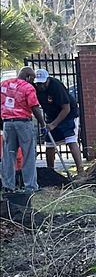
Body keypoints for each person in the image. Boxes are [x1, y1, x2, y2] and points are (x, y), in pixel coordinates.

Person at [1, 66, 47, 194]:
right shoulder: (27, 87)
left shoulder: (4, 84)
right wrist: (43, 124)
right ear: (28, 77)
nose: (33, 81)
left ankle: (8, 186)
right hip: (23, 123)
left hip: (7, 124)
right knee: (28, 155)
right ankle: (30, 187)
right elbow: (34, 107)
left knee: (8, 155)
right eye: (32, 78)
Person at [31, 68, 84, 176]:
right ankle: (51, 172)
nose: (40, 86)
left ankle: (80, 171)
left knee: (70, 140)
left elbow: (66, 108)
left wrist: (54, 124)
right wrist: (47, 123)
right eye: (38, 83)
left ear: (47, 80)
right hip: (52, 116)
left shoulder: (56, 86)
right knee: (49, 144)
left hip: (68, 114)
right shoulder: (35, 88)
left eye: (42, 83)